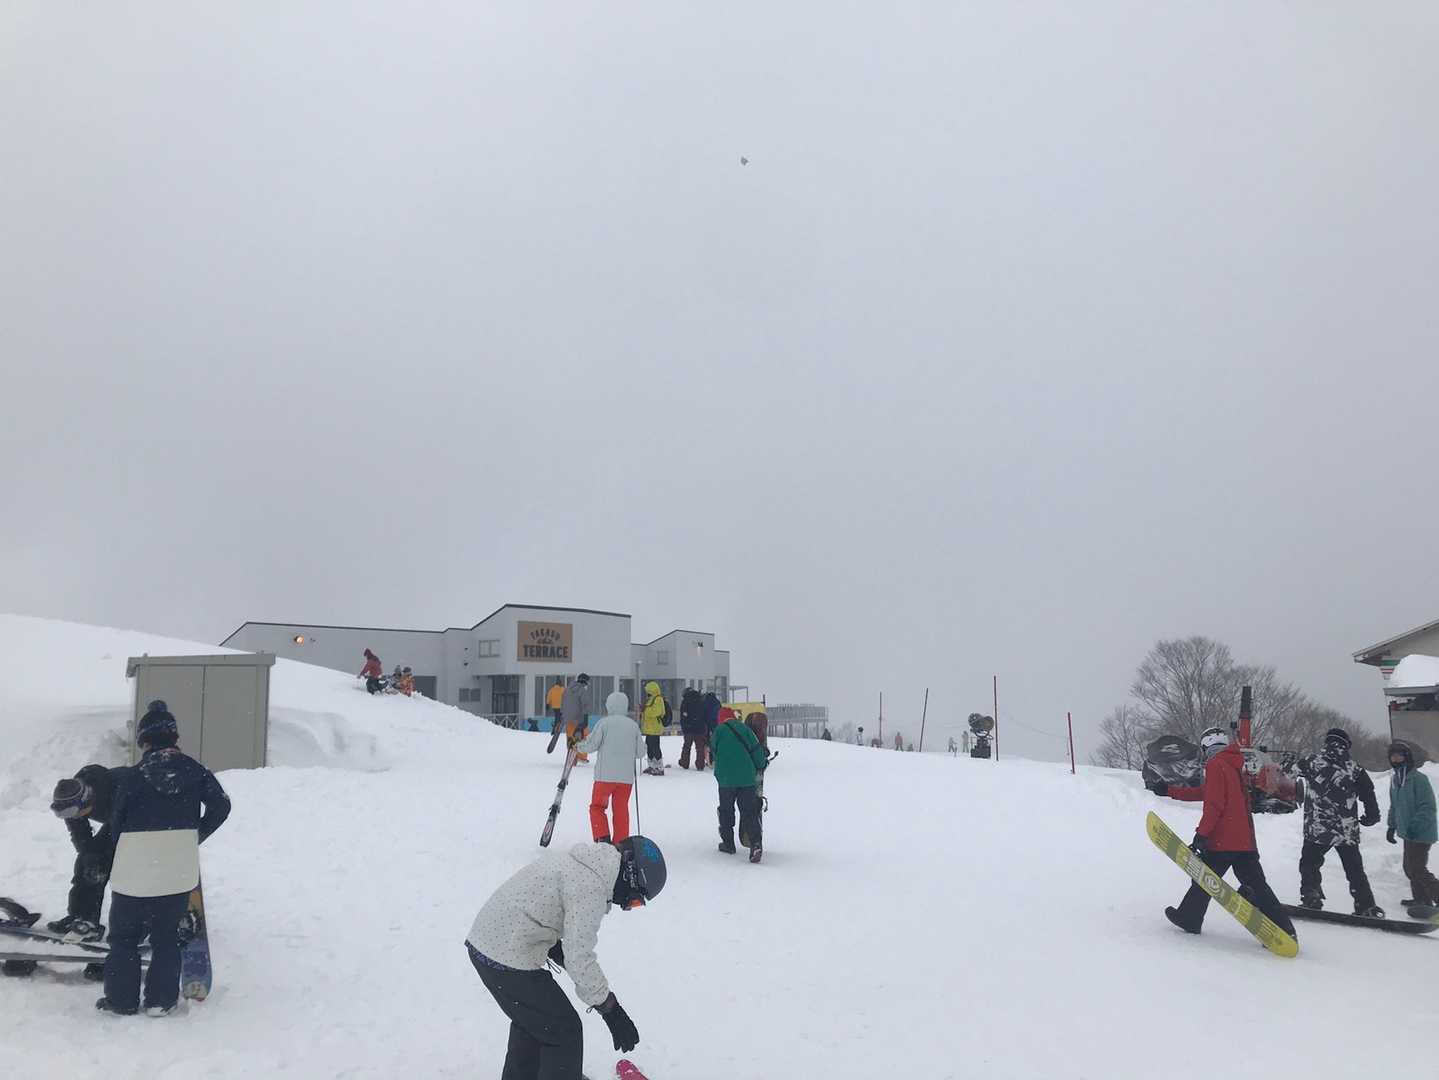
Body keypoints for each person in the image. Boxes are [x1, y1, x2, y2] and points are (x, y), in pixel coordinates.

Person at [465, 836, 665, 1078]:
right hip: (505, 955)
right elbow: (579, 957)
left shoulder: (584, 863)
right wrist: (611, 1009)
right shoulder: (592, 887)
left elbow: (541, 907)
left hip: (487, 943)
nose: (626, 906)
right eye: (633, 900)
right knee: (564, 1030)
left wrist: (559, 950)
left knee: (535, 1023)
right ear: (630, 876)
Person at [98, 702, 230, 1016]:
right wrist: (193, 836)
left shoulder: (133, 777)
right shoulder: (195, 771)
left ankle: (121, 1000)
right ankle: (161, 1001)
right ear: (174, 737)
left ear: (144, 740)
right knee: (167, 937)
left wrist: (123, 849)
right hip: (176, 869)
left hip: (134, 870)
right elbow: (221, 806)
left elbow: (116, 823)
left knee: (124, 938)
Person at [1152, 726, 1296, 940]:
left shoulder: (1216, 765)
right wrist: (1170, 791)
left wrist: (1202, 834)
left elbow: (1215, 804)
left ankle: (1190, 917)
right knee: (1257, 886)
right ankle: (1284, 928)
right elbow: (1207, 792)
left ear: (1206, 746)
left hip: (1223, 841)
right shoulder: (1234, 764)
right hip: (1244, 841)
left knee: (1204, 879)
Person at [1295, 727, 1382, 916]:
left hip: (1318, 828)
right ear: (1346, 746)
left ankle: (1311, 896)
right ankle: (1365, 905)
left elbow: (1291, 771)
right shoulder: (1354, 768)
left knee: (1309, 864)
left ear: (1326, 743)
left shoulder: (1311, 762)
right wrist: (1372, 816)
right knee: (1354, 869)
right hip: (1345, 828)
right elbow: (1368, 792)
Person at [48, 764, 122, 944]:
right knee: (86, 862)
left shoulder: (117, 793)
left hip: (137, 822)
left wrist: (99, 861)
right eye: (62, 813)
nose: (70, 817)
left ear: (88, 799)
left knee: (100, 868)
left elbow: (117, 834)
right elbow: (81, 836)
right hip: (113, 821)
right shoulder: (73, 800)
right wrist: (88, 857)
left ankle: (89, 923)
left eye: (71, 812)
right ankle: (77, 916)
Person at [577, 692, 645, 842]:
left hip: (604, 778)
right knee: (621, 810)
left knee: (597, 807)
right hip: (625, 780)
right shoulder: (633, 726)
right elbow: (640, 752)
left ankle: (602, 838)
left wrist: (577, 746)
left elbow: (591, 745)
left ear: (609, 705)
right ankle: (621, 842)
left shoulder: (604, 723)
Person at [712, 706, 769, 864]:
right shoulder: (745, 729)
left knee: (726, 811)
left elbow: (713, 752)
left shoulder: (718, 731)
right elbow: (756, 749)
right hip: (746, 778)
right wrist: (762, 764)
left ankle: (728, 843)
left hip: (726, 780)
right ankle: (755, 844)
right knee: (749, 811)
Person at [1386, 741, 1439, 907]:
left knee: (1417, 869)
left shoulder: (1419, 779)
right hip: (1408, 833)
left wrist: (1415, 826)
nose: (1396, 759)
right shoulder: (1396, 780)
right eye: (1393, 756)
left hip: (1422, 832)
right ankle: (1421, 899)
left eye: (1399, 756)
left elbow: (1428, 807)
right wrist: (1391, 826)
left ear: (1407, 757)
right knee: (1409, 868)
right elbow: (1394, 806)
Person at [561, 674, 592, 764]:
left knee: (571, 737)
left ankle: (572, 757)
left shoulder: (567, 690)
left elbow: (563, 703)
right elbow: (585, 705)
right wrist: (585, 718)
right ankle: (581, 756)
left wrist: (562, 716)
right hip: (579, 719)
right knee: (583, 737)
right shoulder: (582, 691)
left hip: (568, 719)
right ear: (585, 682)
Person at [677, 687, 708, 770]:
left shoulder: (685, 701)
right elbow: (705, 714)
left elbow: (683, 717)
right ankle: (700, 765)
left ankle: (684, 763)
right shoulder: (701, 700)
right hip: (700, 728)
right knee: (700, 748)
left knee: (687, 746)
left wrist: (684, 727)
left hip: (688, 728)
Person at [640, 681, 667, 776]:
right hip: (649, 728)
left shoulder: (658, 699)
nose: (646, 692)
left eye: (648, 690)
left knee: (655, 747)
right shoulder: (650, 699)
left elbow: (656, 712)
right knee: (649, 747)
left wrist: (645, 710)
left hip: (655, 728)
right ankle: (652, 766)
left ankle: (659, 767)